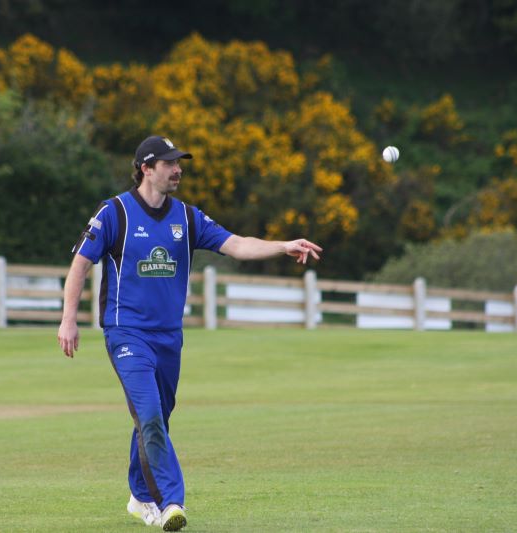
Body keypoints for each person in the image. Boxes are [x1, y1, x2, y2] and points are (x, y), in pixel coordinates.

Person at [56, 135, 322, 531]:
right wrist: (68, 319)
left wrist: (283, 246)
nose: (178, 169)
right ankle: (171, 503)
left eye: (179, 163)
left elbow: (237, 245)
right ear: (146, 168)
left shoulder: (188, 217)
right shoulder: (115, 213)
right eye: (169, 163)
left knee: (155, 418)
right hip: (126, 333)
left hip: (169, 337)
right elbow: (80, 264)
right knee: (149, 413)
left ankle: (139, 496)